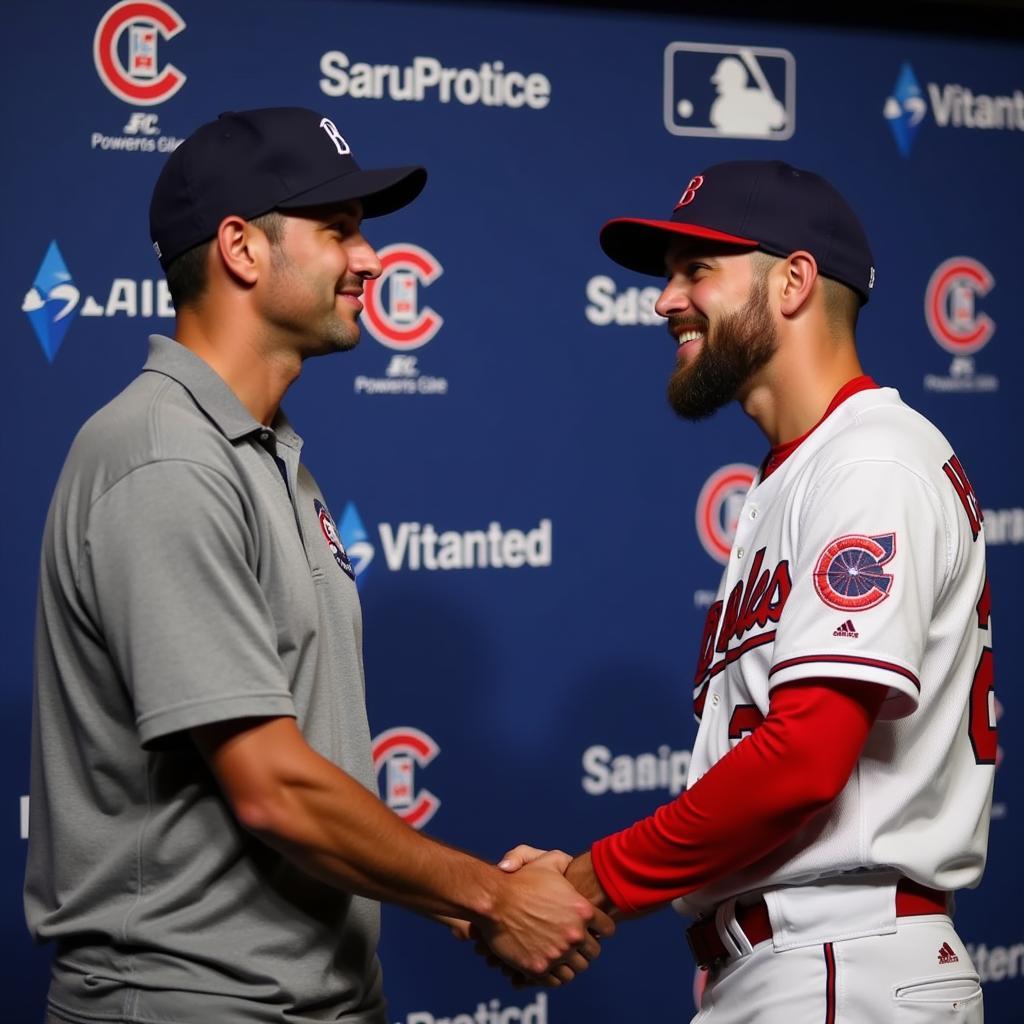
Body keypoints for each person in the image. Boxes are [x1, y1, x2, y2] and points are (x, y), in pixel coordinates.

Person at [24, 107, 612, 1024]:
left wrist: (463, 897)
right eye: (337, 229)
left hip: (317, 996)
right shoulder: (166, 457)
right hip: (191, 1004)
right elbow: (272, 787)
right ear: (241, 250)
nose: (372, 259)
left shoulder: (260, 455)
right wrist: (489, 897)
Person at [505, 160, 994, 1022]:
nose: (664, 301)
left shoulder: (869, 462)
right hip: (801, 961)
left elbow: (805, 759)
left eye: (698, 271)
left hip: (844, 961)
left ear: (795, 280)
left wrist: (590, 881)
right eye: (668, 276)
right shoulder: (802, 472)